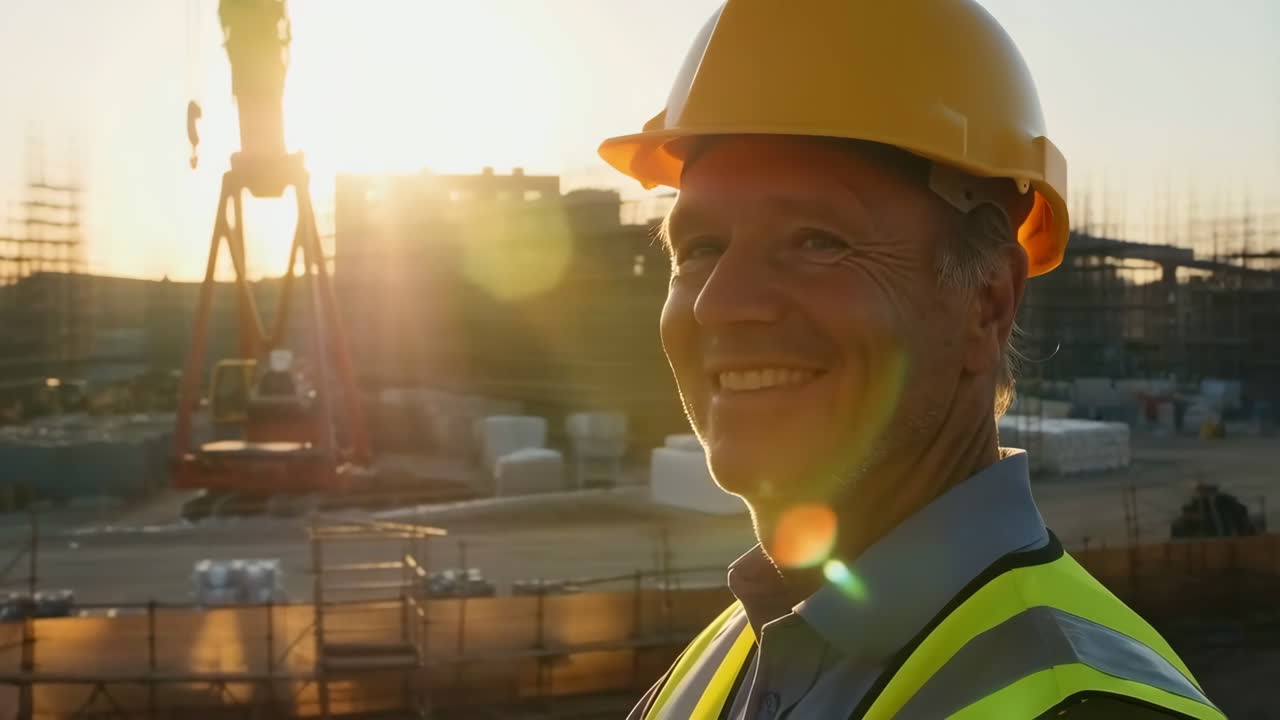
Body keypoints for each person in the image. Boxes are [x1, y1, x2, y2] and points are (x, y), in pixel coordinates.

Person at [598, 2, 1225, 718]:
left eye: (816, 240)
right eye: (699, 249)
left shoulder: (1087, 704)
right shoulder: (716, 666)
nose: (720, 304)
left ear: (986, 301)